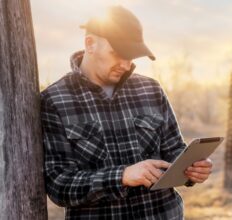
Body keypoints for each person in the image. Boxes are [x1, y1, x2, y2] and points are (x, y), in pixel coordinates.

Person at [41, 6, 213, 219]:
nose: (126, 64)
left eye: (131, 57)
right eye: (118, 54)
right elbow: (60, 185)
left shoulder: (150, 89)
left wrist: (191, 168)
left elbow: (173, 150)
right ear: (90, 44)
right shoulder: (54, 100)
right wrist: (122, 176)